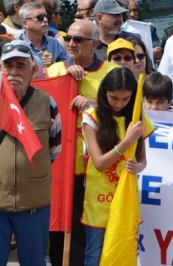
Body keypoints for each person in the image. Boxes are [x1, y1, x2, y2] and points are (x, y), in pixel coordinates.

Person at [0, 41, 61, 266]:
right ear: (0, 68)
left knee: (34, 262)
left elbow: (54, 148)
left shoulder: (46, 102)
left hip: (33, 202)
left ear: (32, 70)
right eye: (8, 66)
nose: (14, 72)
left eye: (21, 65)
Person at [45, 20, 118, 266]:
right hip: (61, 164)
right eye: (69, 38)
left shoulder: (111, 73)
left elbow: (124, 110)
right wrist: (66, 77)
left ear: (94, 44)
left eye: (79, 39)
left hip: (96, 168)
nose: (72, 43)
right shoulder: (54, 71)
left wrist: (94, 103)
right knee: (61, 233)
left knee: (92, 233)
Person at [81, 67, 153, 266]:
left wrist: (137, 167)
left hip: (126, 199)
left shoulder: (137, 118)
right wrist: (126, 141)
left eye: (126, 99)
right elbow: (99, 163)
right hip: (99, 200)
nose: (119, 104)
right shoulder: (92, 116)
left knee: (122, 252)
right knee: (94, 256)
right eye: (114, 98)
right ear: (104, 93)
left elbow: (142, 160)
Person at [19, 1, 68, 66]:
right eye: (40, 17)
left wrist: (54, 65)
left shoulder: (54, 43)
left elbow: (66, 68)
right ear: (25, 23)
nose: (45, 19)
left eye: (46, 16)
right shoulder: (16, 45)